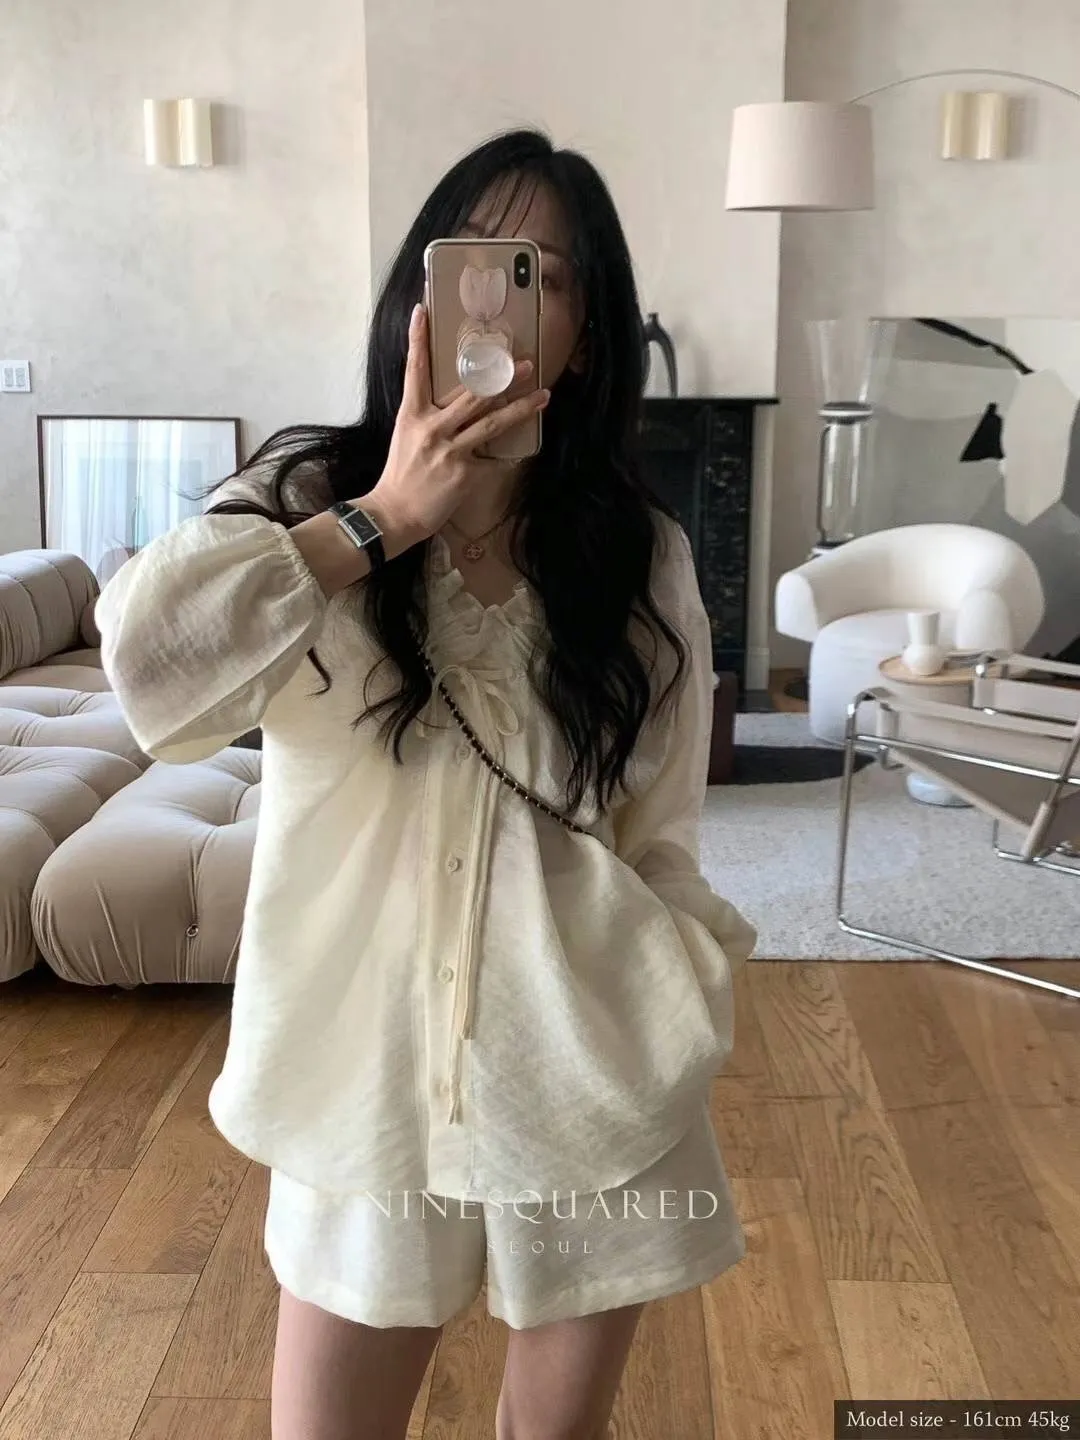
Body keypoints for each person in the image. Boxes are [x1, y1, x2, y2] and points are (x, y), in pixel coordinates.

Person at [95, 129, 757, 1440]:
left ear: (586, 333)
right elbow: (154, 672)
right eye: (475, 262)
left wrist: (682, 980)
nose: (500, 303)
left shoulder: (640, 557)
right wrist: (386, 516)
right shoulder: (304, 497)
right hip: (363, 1083)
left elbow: (663, 828)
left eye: (542, 273)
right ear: (418, 292)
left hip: (588, 1066)